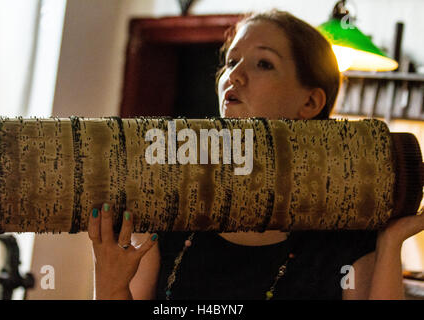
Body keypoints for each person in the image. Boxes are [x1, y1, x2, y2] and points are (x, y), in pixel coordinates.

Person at [87, 9, 424, 300]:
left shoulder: (346, 228)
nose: (233, 75)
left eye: (264, 63)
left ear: (310, 102)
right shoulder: (171, 203)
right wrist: (110, 281)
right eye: (231, 61)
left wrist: (391, 241)